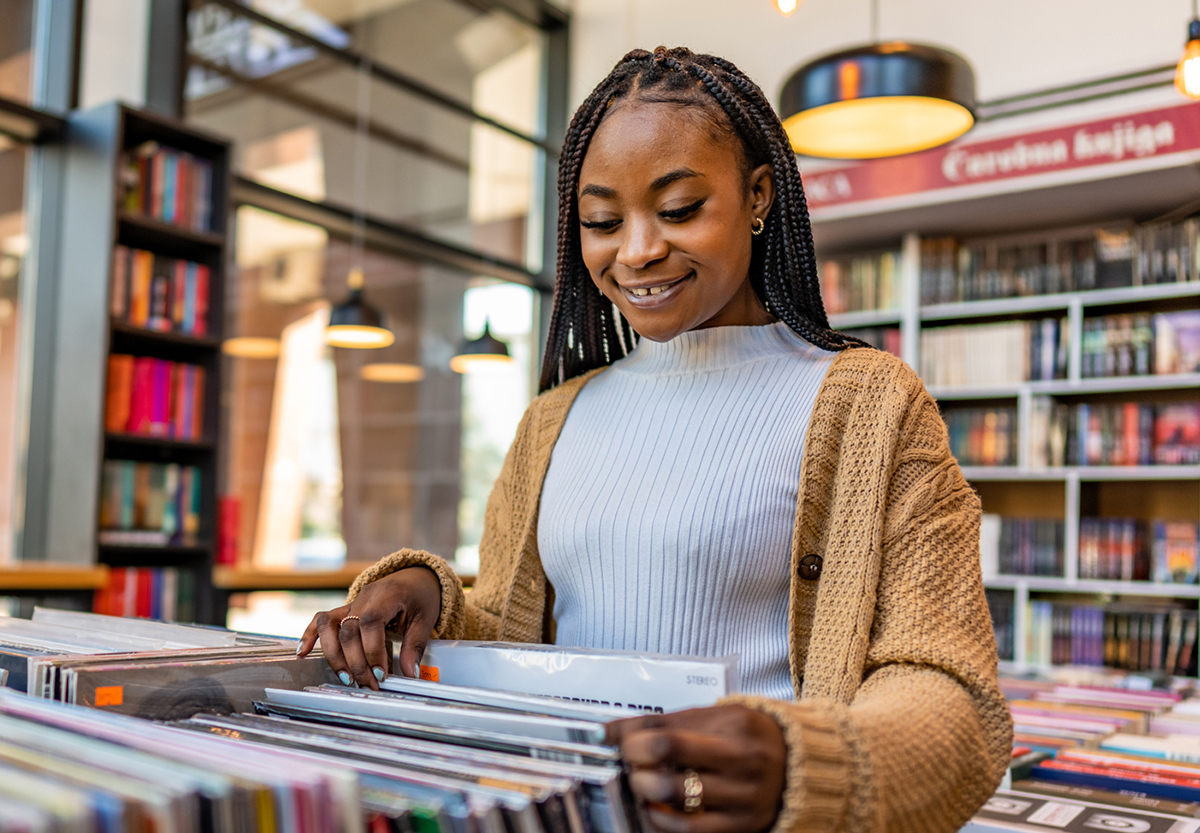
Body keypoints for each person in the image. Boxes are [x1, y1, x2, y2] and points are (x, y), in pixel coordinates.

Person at [299, 46, 1012, 833]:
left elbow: (954, 696)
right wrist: (431, 600)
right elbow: (515, 630)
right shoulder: (552, 419)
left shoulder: (873, 404)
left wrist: (801, 759)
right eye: (603, 221)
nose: (636, 250)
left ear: (758, 196)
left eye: (677, 210)